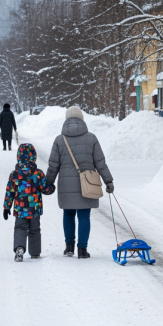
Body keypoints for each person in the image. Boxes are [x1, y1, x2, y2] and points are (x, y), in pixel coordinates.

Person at [45, 106, 114, 259]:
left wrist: (48, 183)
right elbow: (100, 163)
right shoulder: (92, 138)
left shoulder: (59, 139)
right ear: (82, 119)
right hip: (87, 185)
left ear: (66, 120)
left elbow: (53, 165)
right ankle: (82, 250)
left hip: (66, 185)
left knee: (68, 213)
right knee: (84, 216)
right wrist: (108, 180)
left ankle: (69, 247)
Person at [3, 144, 55, 261]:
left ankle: (19, 249)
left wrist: (7, 207)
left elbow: (9, 192)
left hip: (20, 209)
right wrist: (52, 188)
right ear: (34, 157)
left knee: (20, 228)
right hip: (35, 209)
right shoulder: (38, 173)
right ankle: (35, 252)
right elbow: (46, 189)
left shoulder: (14, 174)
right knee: (35, 230)